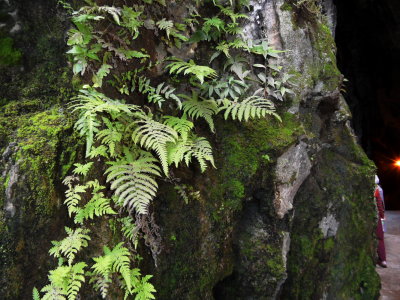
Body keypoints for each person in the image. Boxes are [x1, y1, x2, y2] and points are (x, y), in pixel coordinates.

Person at [374, 175, 387, 268]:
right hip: (376, 216)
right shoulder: (378, 189)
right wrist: (382, 216)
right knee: (380, 238)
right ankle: (383, 260)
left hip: (367, 216)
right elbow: (380, 204)